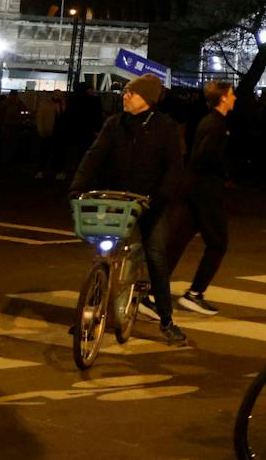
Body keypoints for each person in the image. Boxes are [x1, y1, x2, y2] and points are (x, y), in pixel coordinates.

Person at [68, 74, 188, 346]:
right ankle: (89, 308)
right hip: (117, 200)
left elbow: (173, 169)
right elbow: (93, 156)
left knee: (156, 256)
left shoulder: (164, 127)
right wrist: (77, 187)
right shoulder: (114, 124)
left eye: (131, 93)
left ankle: (166, 320)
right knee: (102, 256)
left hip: (150, 202)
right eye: (125, 92)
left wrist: (161, 199)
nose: (125, 96)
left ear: (146, 99)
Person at [164, 81, 235, 315]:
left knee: (177, 241)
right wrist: (224, 170)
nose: (234, 98)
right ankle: (195, 294)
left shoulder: (207, 121)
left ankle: (153, 293)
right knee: (218, 244)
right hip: (206, 191)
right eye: (232, 94)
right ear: (223, 98)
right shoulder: (217, 124)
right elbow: (207, 154)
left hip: (191, 187)